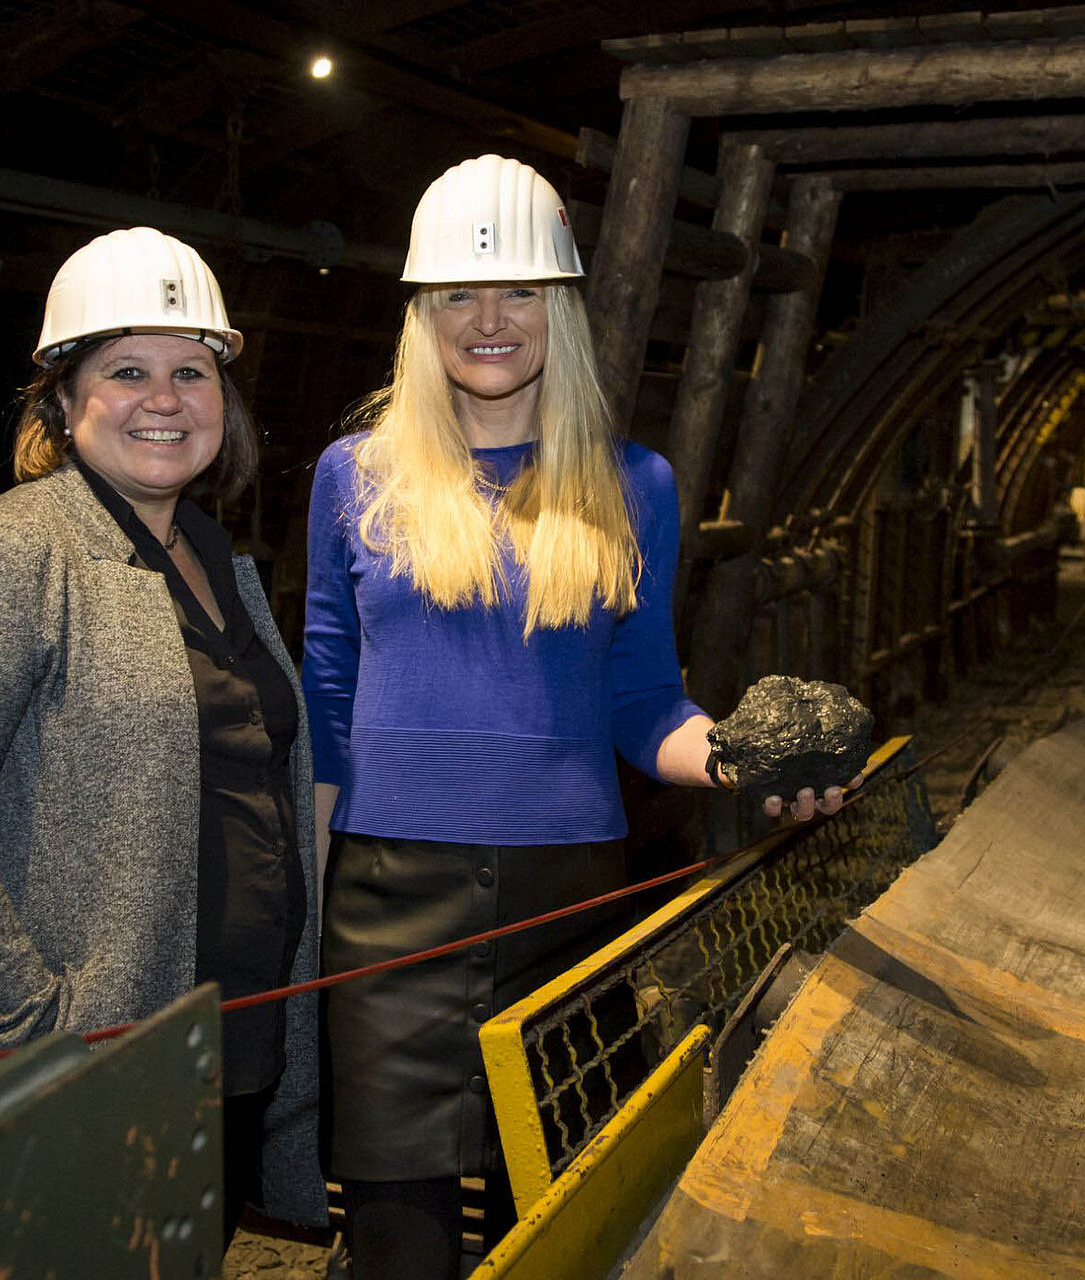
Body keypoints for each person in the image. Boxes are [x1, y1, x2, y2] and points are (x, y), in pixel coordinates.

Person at [302, 155, 851, 1279]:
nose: (489, 319)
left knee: (556, 1207)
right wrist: (308, 901)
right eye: (459, 294)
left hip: (567, 895)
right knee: (396, 1229)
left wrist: (739, 757)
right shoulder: (352, 474)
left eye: (520, 295)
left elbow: (643, 697)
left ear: (563, 309)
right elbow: (328, 692)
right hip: (389, 898)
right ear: (423, 313)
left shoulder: (632, 479)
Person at [0, 227, 325, 1244]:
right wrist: (33, 1032)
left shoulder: (217, 560)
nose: (165, 398)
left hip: (230, 1036)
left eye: (191, 372)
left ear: (224, 403)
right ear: (64, 404)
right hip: (83, 1057)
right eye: (126, 371)